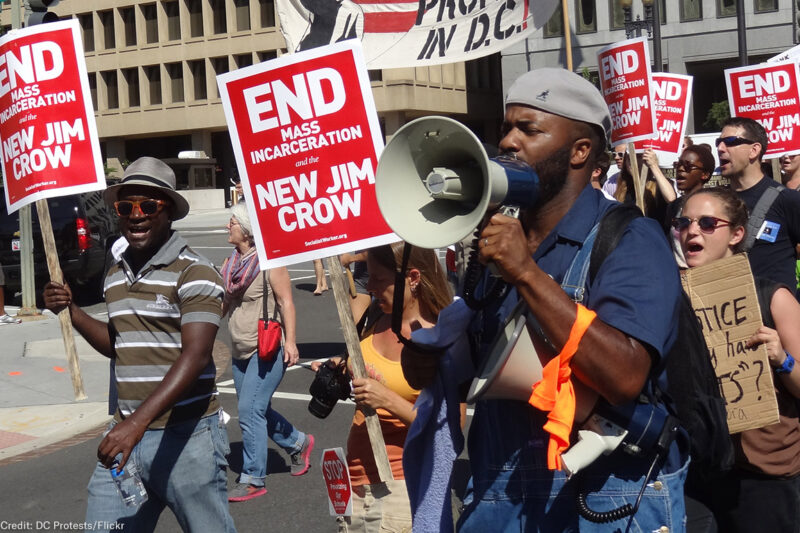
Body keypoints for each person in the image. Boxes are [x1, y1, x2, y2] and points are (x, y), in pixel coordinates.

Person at [405, 68, 686, 531]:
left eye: (529, 130)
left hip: (600, 499)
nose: (509, 142)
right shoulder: (498, 242)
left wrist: (527, 273)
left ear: (580, 151)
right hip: (500, 495)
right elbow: (488, 370)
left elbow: (625, 374)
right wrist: (437, 368)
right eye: (506, 129)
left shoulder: (629, 239)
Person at [42, 157, 236, 532]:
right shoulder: (115, 274)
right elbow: (118, 346)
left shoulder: (196, 272)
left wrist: (135, 425)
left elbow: (195, 357)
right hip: (125, 439)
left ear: (168, 213)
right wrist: (72, 310)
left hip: (187, 437)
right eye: (126, 206)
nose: (136, 215)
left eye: (148, 206)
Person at [675, 187, 800, 532]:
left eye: (707, 222)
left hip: (763, 476)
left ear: (737, 234)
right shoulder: (672, 295)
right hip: (699, 467)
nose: (692, 231)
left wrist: (782, 360)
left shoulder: (774, 298)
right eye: (683, 222)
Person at [313, 242, 452, 533]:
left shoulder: (439, 335)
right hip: (355, 481)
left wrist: (387, 399)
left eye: (379, 278)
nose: (371, 286)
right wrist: (342, 366)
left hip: (402, 486)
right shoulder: (376, 315)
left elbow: (452, 428)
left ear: (413, 277)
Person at [222, 202, 315, 502]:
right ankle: (298, 443)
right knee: (258, 409)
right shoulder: (231, 265)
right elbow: (224, 304)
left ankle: (252, 478)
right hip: (240, 349)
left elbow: (286, 302)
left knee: (249, 411)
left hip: (267, 349)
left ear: (247, 230)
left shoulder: (270, 262)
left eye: (233, 222)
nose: (228, 227)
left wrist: (291, 341)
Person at [717, 116, 800, 290]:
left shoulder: (787, 200)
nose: (720, 148)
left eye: (730, 141)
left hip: (775, 314)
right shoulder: (715, 202)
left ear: (754, 150)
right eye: (719, 141)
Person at [665, 144, 716, 268]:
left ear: (705, 174)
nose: (681, 169)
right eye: (678, 165)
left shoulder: (714, 205)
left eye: (688, 166)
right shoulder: (674, 207)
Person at [614, 150, 669, 223]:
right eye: (629, 158)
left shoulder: (659, 186)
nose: (633, 161)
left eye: (638, 156)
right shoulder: (623, 187)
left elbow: (671, 199)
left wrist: (653, 166)